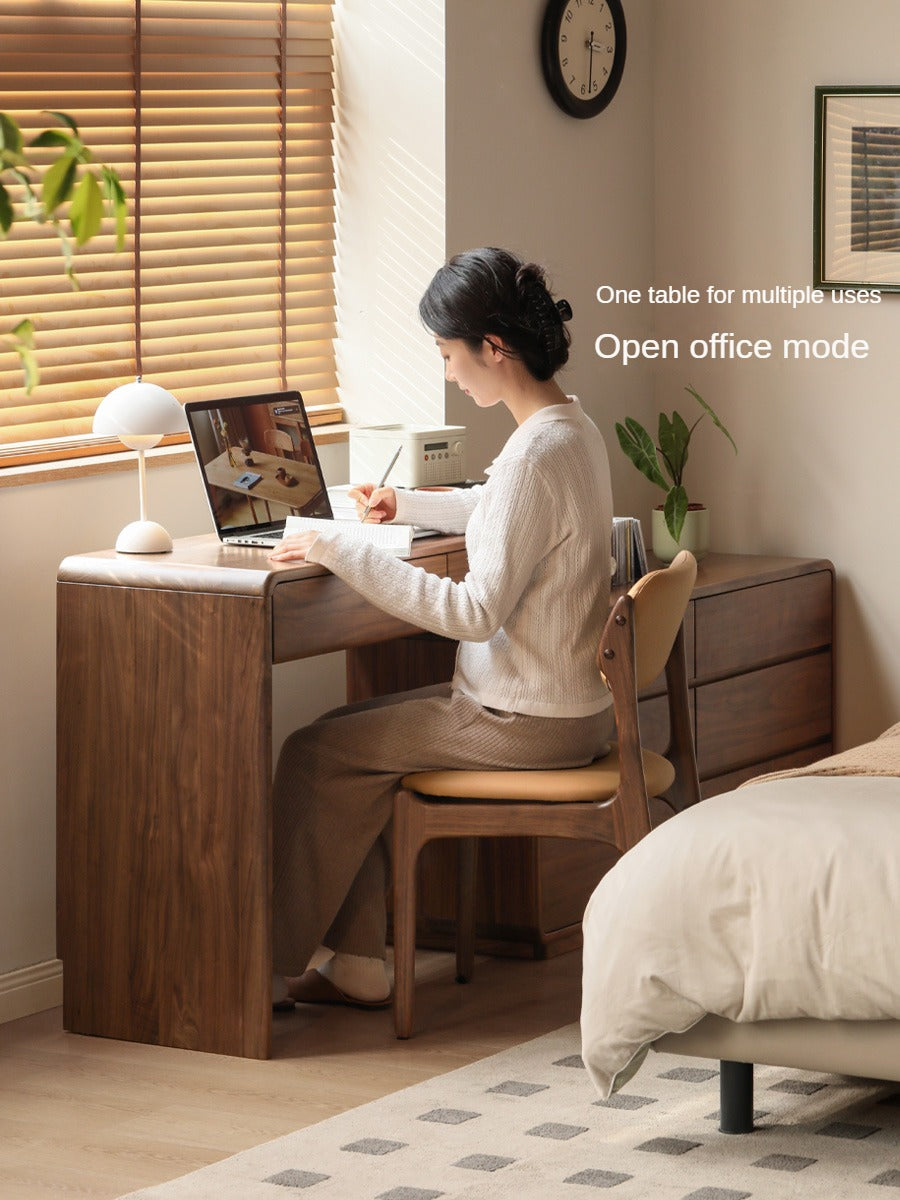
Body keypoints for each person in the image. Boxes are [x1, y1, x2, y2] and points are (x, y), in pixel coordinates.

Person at [268, 247, 614, 1009]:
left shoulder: (533, 456)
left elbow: (472, 612)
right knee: (343, 737)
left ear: (494, 349)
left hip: (522, 722)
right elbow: (510, 515)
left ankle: (266, 970)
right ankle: (355, 959)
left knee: (314, 751)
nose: (450, 373)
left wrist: (340, 546)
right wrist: (409, 506)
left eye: (450, 355)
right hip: (571, 711)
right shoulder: (570, 429)